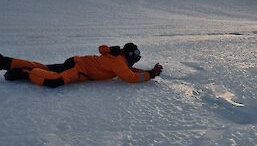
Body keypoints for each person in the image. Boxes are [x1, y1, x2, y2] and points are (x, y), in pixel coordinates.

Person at [0, 43, 163, 88]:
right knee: (53, 80)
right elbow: (129, 76)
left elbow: (129, 71)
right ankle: (24, 72)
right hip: (78, 69)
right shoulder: (119, 62)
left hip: (76, 62)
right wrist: (151, 74)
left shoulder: (118, 59)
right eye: (136, 55)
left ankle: (5, 61)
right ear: (130, 56)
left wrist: (149, 72)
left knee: (46, 68)